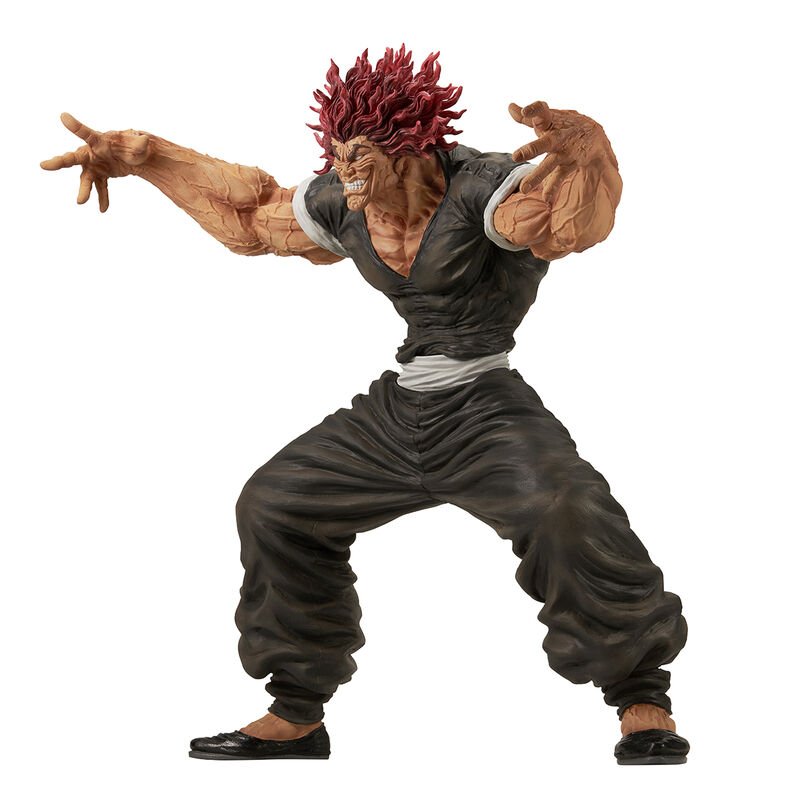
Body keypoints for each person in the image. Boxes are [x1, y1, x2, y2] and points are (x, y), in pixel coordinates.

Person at [41, 46, 689, 765]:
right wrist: (151, 157)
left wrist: (589, 152)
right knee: (275, 505)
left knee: (567, 508)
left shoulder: (484, 191)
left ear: (410, 146)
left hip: (484, 406)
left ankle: (641, 700)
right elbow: (250, 218)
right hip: (398, 411)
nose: (345, 168)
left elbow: (568, 227)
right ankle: (296, 715)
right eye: (337, 151)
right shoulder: (340, 201)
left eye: (361, 155)